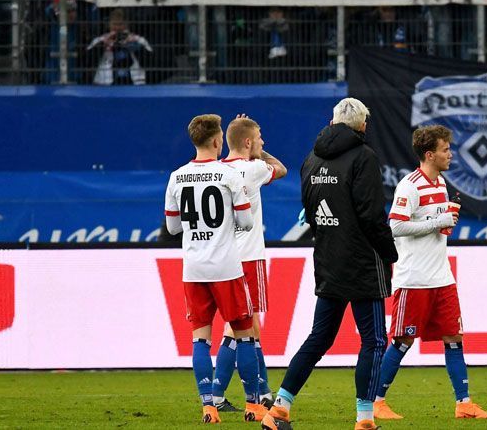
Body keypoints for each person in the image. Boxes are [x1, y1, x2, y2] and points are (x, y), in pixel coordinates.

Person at [263, 98, 398, 430]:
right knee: (375, 340)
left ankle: (279, 407)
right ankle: (365, 419)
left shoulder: (312, 158)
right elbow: (371, 214)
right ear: (360, 125)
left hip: (328, 260)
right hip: (364, 261)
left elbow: (309, 214)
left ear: (333, 120)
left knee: (318, 338)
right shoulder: (363, 157)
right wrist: (389, 252)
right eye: (366, 123)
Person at [373, 125, 487, 421]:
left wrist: (443, 224)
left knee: (454, 337)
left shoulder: (441, 182)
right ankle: (376, 402)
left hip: (442, 277)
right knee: (402, 341)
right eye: (445, 150)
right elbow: (396, 226)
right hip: (414, 279)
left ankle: (464, 404)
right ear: (429, 154)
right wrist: (435, 222)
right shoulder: (410, 186)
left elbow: (432, 223)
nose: (450, 154)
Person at [164, 114, 268, 424]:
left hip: (193, 269)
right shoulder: (228, 175)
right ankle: (253, 404)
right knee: (245, 334)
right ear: (216, 141)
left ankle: (209, 406)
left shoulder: (176, 176)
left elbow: (172, 227)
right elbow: (247, 222)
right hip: (226, 267)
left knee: (200, 339)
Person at [210, 115, 287, 413]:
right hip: (248, 258)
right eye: (259, 137)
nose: (263, 142)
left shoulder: (216, 170)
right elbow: (280, 169)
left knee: (249, 326)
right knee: (240, 328)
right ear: (247, 142)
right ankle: (221, 393)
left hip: (222, 256)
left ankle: (264, 389)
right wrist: (259, 153)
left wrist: (241, 139)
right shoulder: (253, 168)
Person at [87, 9, 153, 86]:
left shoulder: (138, 40)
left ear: (126, 24)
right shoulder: (100, 40)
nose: (117, 28)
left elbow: (151, 64)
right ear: (109, 24)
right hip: (104, 83)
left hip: (136, 83)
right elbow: (86, 62)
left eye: (120, 24)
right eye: (114, 24)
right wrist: (102, 46)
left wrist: (135, 47)